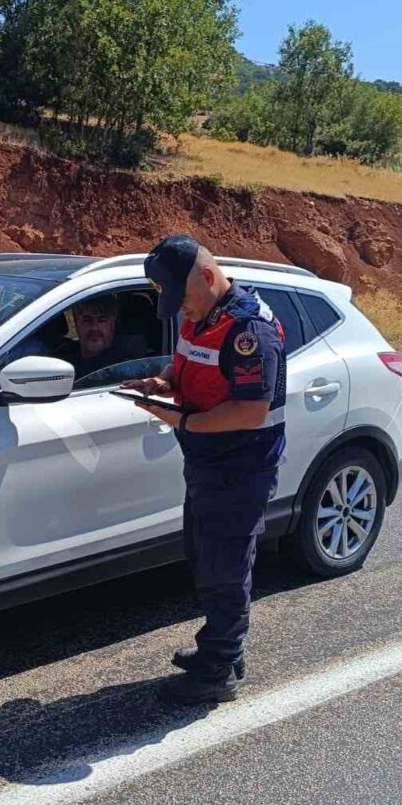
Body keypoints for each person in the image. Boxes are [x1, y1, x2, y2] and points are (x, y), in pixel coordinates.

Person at [122, 235, 286, 704]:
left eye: (183, 299)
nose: (180, 311)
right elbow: (188, 363)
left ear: (209, 278)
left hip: (240, 463)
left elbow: (251, 410)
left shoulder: (247, 328)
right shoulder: (203, 312)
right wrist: (162, 382)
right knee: (203, 554)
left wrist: (184, 421)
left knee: (225, 567)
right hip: (209, 459)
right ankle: (221, 648)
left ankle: (219, 671)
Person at [52, 296, 130, 378]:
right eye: (87, 320)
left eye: (101, 320)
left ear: (113, 324)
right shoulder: (62, 361)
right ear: (76, 323)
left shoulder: (123, 365)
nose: (94, 327)